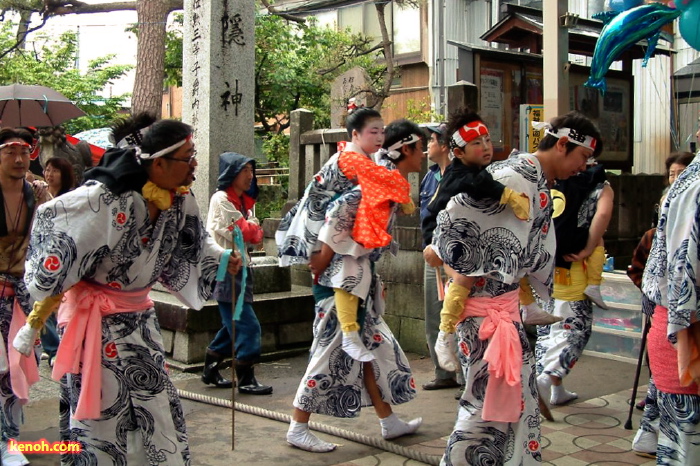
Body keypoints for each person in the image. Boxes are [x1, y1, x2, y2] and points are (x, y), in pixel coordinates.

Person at [14, 114, 242, 465]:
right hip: (95, 326)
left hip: (140, 321)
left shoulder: (180, 197)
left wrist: (225, 258)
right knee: (99, 416)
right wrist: (52, 280)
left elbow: (196, 244)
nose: (195, 165)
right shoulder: (105, 198)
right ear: (159, 162)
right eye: (188, 157)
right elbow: (53, 218)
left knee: (157, 408)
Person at [426, 111, 603, 465]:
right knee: (485, 414)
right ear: (564, 145)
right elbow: (446, 235)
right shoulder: (514, 177)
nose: (585, 167)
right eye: (583, 157)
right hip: (486, 318)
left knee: (511, 409)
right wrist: (449, 260)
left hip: (503, 313)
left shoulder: (533, 179)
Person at [283, 119, 424, 453]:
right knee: (329, 353)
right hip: (337, 281)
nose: (424, 155)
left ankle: (388, 420)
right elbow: (339, 210)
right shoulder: (376, 180)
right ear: (406, 149)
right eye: (421, 148)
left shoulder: (384, 178)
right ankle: (297, 425)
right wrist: (324, 254)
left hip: (357, 280)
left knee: (374, 350)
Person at [277, 107, 411, 362]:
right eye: (373, 132)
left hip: (333, 233)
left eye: (382, 131)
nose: (380, 137)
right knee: (349, 273)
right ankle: (349, 336)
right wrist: (401, 191)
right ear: (355, 135)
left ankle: (351, 340)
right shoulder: (351, 159)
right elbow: (385, 183)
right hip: (320, 232)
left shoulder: (366, 157)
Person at [627, 151, 693, 458]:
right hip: (675, 325)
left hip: (674, 324)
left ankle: (649, 432)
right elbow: (637, 270)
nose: (676, 178)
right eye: (672, 174)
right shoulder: (655, 233)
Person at [534, 163, 614, 406]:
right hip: (574, 270)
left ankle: (555, 387)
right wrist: (590, 246)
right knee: (575, 331)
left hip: (544, 269)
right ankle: (547, 377)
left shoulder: (547, 178)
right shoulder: (598, 185)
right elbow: (602, 215)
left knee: (548, 333)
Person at [641, 145, 700, 465]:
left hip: (676, 325)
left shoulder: (686, 186)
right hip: (684, 329)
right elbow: (682, 271)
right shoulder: (693, 188)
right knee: (684, 445)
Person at [0, 128, 51, 466]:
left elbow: (55, 232)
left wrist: (48, 199)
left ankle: (9, 439)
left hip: (21, 294)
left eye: (24, 151)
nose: (19, 159)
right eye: (10, 151)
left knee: (14, 369)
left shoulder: (36, 193)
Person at [202, 152, 272, 394]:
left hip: (243, 267)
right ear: (232, 173)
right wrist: (251, 228)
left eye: (251, 171)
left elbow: (255, 233)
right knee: (246, 324)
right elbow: (244, 232)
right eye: (245, 171)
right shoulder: (220, 199)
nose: (250, 176)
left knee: (233, 322)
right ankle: (245, 375)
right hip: (226, 267)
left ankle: (211, 366)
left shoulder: (245, 202)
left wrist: (251, 229)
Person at [419, 122, 462, 391]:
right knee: (434, 315)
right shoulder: (430, 176)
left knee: (461, 317)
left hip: (457, 257)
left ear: (445, 145)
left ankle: (468, 378)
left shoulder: (462, 175)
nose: (427, 146)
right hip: (430, 254)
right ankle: (443, 372)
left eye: (432, 140)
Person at [37, 157, 77, 367]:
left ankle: (57, 347)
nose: (49, 174)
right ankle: (51, 346)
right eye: (47, 170)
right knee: (44, 298)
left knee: (57, 299)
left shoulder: (71, 197)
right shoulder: (39, 194)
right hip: (43, 252)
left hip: (62, 254)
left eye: (54, 170)